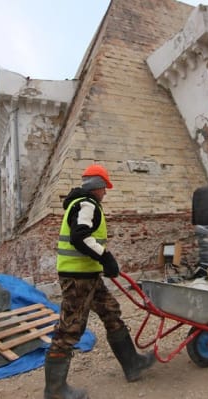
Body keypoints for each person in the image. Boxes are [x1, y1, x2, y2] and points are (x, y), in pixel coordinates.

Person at [44, 164, 156, 399]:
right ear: (97, 186)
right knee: (70, 329)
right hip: (78, 279)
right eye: (104, 187)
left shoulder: (84, 203)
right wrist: (106, 257)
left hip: (87, 275)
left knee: (111, 312)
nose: (105, 192)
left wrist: (102, 263)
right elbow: (80, 236)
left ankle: (132, 364)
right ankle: (55, 391)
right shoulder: (87, 205)